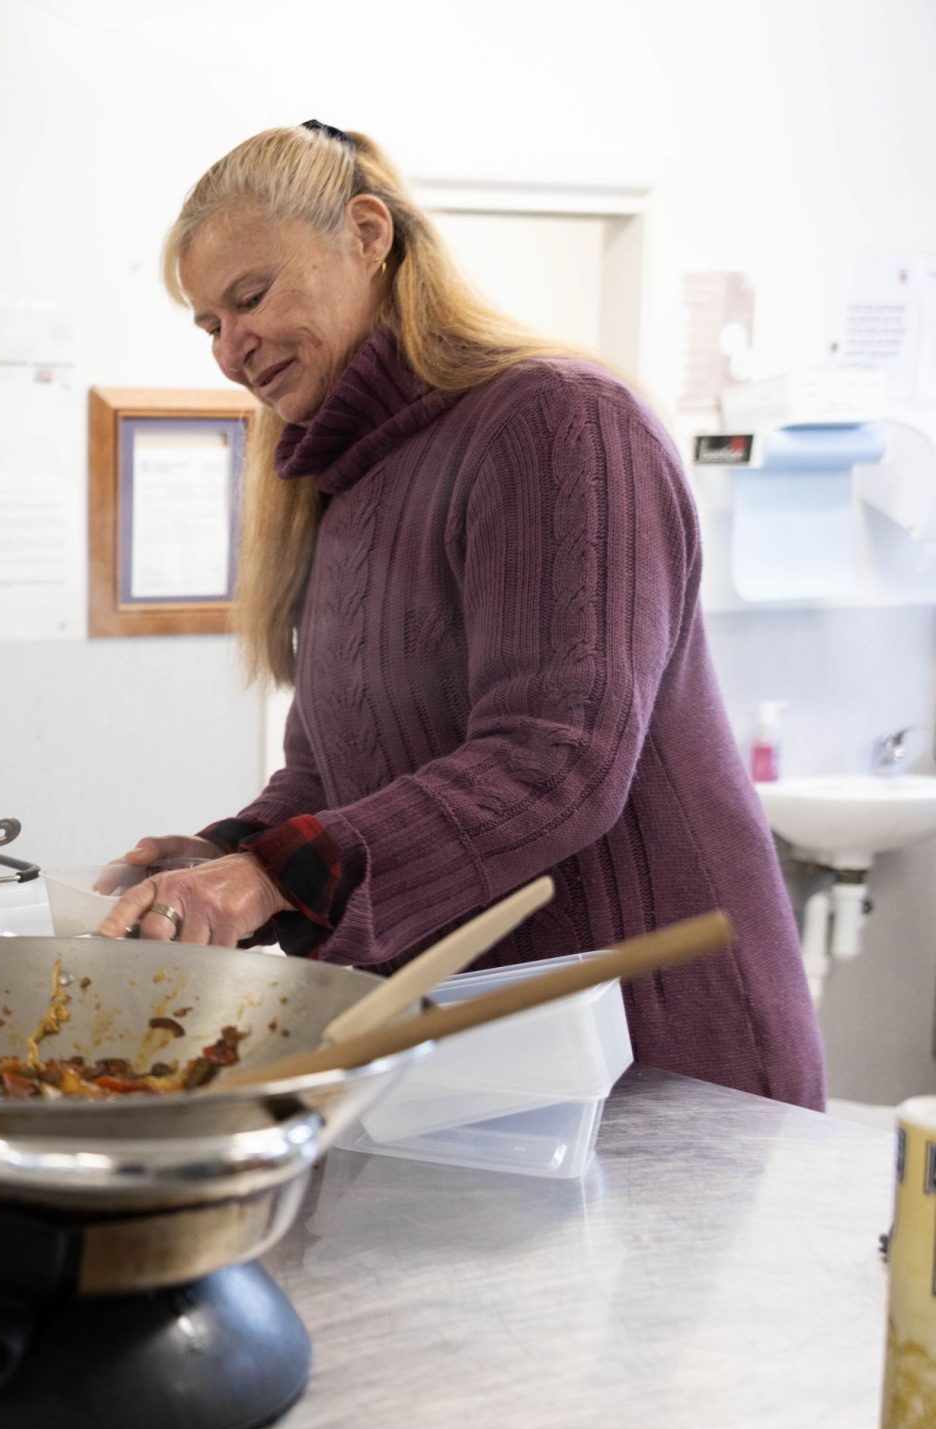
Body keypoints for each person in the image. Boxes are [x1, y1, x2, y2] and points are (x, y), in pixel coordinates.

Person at [96, 124, 822, 1109]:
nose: (231, 347)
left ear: (365, 235)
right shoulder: (344, 487)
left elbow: (555, 756)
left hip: (655, 1052)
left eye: (250, 298)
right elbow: (327, 770)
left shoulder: (559, 422)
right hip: (494, 1057)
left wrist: (275, 877)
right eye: (208, 324)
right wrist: (229, 856)